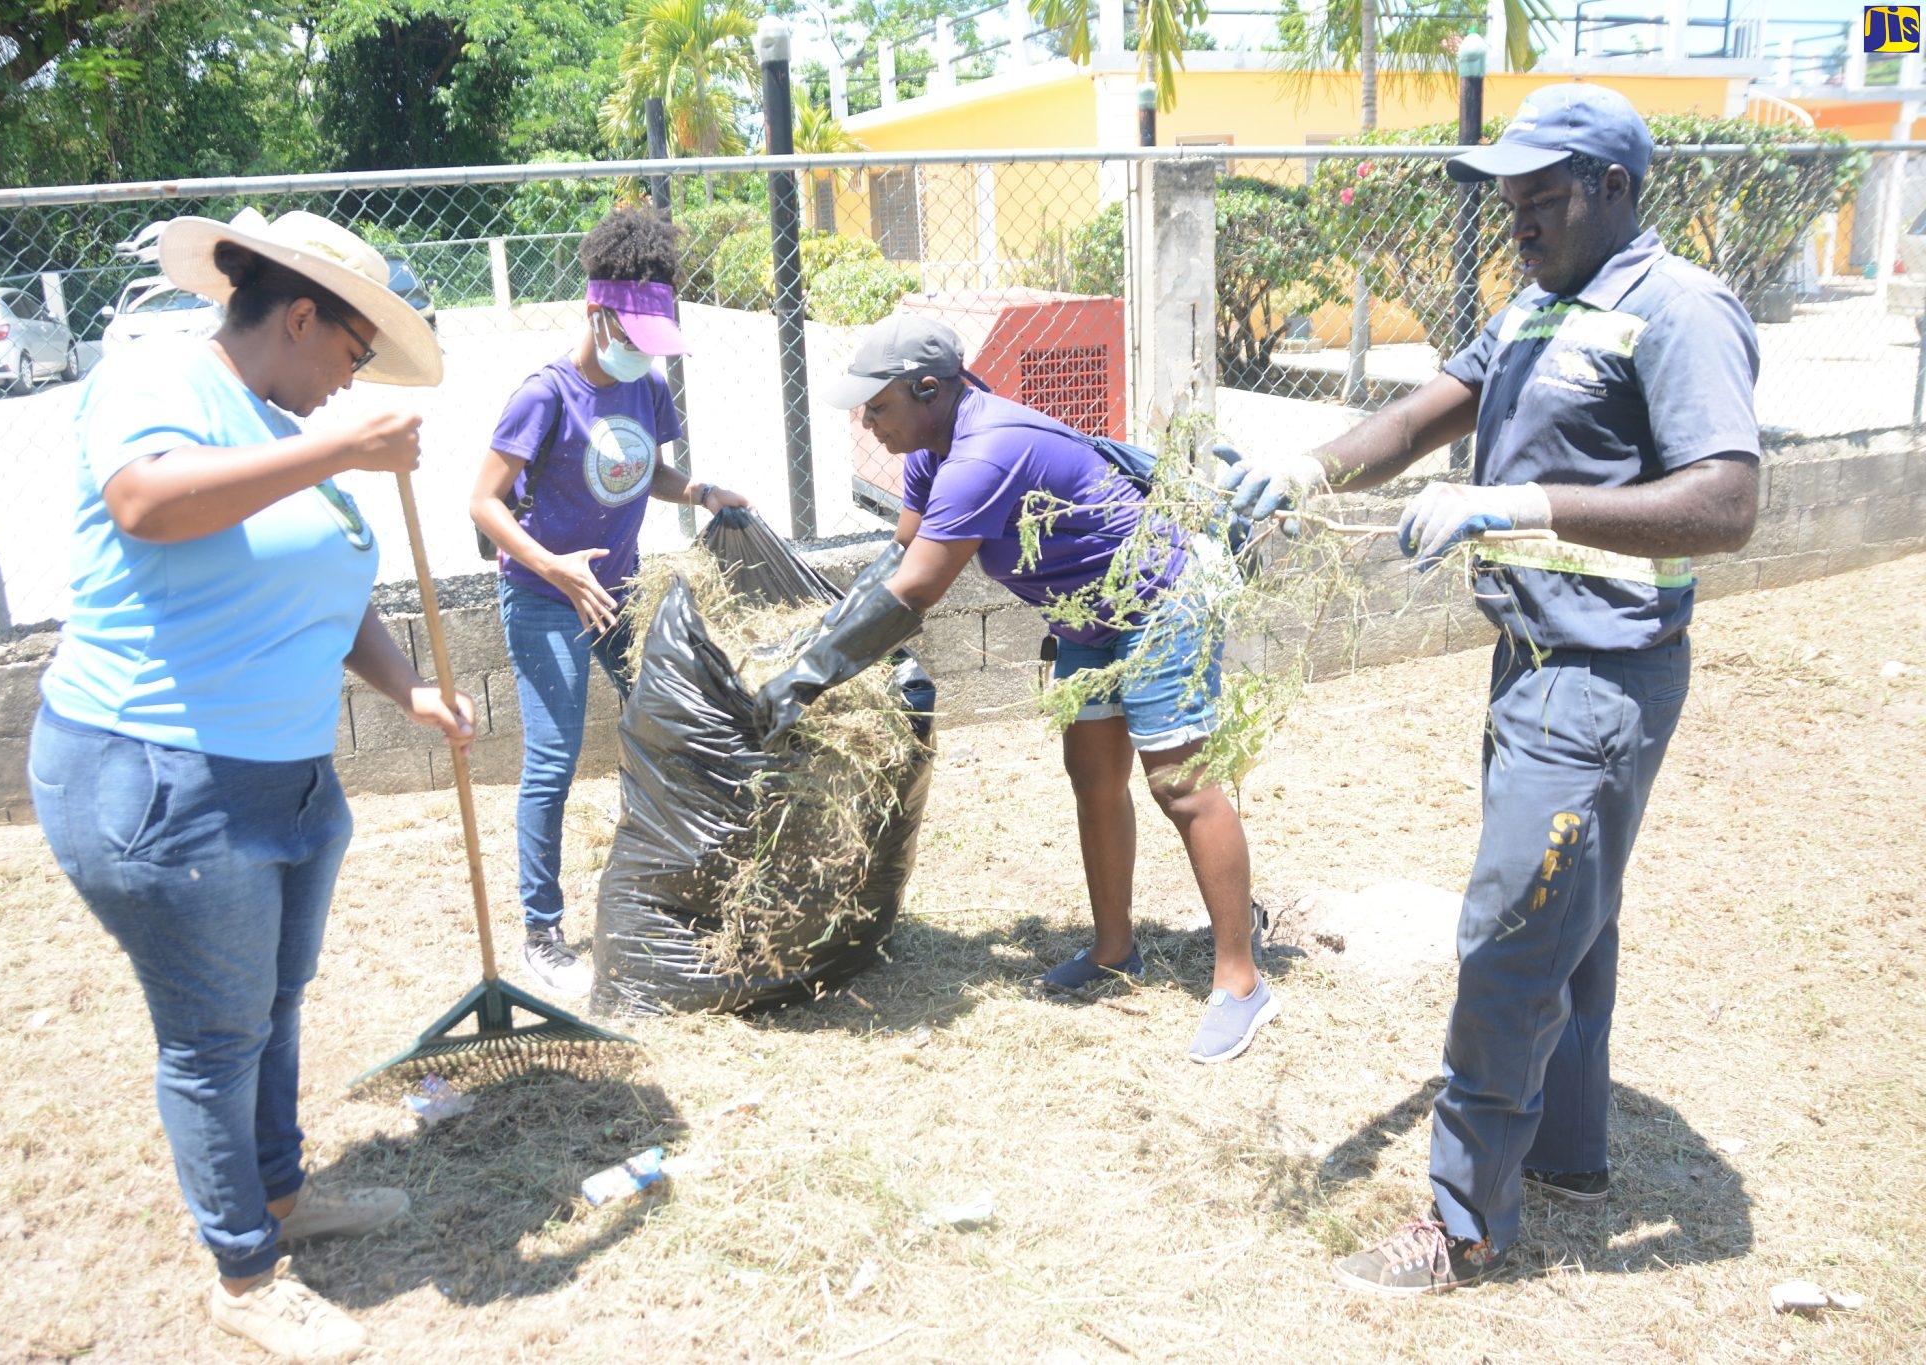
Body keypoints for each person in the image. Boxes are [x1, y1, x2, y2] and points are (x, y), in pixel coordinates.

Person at [1219, 85, 1761, 1294]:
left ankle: (1464, 1224)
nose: (1515, 214)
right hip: (1527, 659)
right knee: (1570, 917)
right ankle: (1566, 1157)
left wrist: (1518, 506)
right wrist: (1303, 467)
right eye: (1506, 195)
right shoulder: (1538, 299)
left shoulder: (1675, 310)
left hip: (1602, 672)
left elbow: (1725, 503)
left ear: (1617, 190)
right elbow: (1425, 412)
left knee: (1512, 931)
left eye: (1543, 194)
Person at [27, 207, 473, 1361]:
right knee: (214, 1040)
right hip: (159, 777)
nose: (354, 377)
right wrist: (341, 448)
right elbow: (149, 502)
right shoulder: (160, 375)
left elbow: (323, 581)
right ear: (301, 315)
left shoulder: (272, 420)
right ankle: (244, 1271)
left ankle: (280, 1193)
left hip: (283, 781)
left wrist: (407, 689)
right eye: (353, 350)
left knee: (271, 1007)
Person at [754, 314, 1275, 1064]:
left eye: (878, 406)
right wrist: (806, 644)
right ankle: (1112, 950)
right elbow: (902, 555)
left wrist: (801, 682)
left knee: (1179, 785)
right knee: (1093, 776)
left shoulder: (985, 451)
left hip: (1161, 594)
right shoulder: (930, 447)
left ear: (928, 389)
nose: (866, 422)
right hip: (1086, 611)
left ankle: (1241, 980)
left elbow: (917, 591)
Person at [469, 208, 747, 998]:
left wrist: (698, 489)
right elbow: (484, 501)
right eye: (633, 340)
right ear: (599, 315)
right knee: (552, 763)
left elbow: (645, 472)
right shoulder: (544, 395)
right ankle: (541, 929)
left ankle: (675, 881)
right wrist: (554, 567)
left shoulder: (647, 386)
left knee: (671, 725)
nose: (642, 358)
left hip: (620, 591)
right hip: (545, 597)